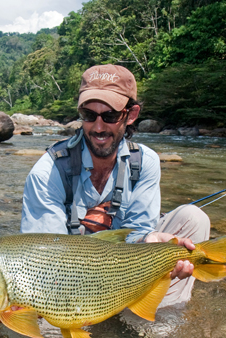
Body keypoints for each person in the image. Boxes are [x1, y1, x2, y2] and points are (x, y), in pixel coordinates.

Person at [20, 64, 210, 306]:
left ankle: (158, 317)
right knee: (43, 332)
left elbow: (139, 229)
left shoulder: (145, 162)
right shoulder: (47, 173)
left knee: (194, 219)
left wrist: (147, 240)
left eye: (110, 116)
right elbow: (45, 260)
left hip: (128, 267)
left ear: (131, 115)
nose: (98, 127)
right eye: (89, 115)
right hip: (68, 278)